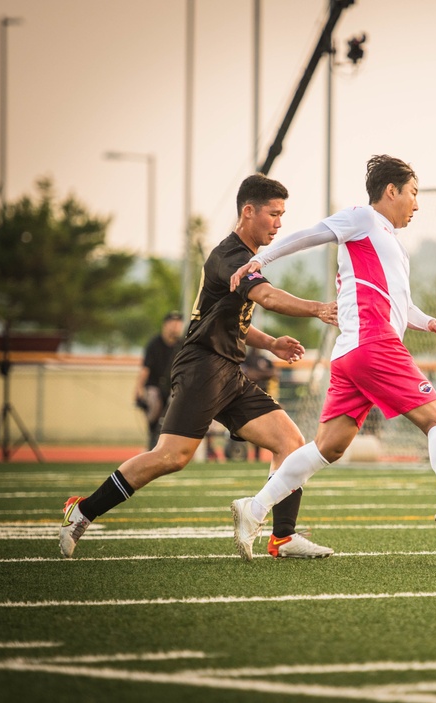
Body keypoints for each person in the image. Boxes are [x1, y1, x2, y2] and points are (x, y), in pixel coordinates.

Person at [60, 174, 339, 559]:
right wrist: (319, 308)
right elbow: (267, 297)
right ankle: (83, 510)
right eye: (274, 214)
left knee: (289, 443)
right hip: (203, 367)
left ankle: (283, 537)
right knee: (171, 456)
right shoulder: (230, 256)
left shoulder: (245, 258)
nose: (279, 223)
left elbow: (230, 318)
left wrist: (270, 342)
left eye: (282, 215)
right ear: (248, 211)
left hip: (228, 371)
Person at [230, 155, 436, 561]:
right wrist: (260, 259)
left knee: (329, 446)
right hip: (373, 343)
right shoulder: (363, 218)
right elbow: (311, 235)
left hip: (351, 352)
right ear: (391, 191)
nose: (416, 205)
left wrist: (429, 322)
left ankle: (255, 507)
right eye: (414, 194)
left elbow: (398, 304)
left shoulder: (388, 242)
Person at [134, 311, 184, 450]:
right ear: (165, 325)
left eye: (178, 324)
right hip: (154, 386)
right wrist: (138, 390)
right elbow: (145, 369)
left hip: (174, 387)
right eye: (172, 324)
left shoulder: (182, 344)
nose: (175, 327)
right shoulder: (154, 344)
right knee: (154, 402)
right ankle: (153, 438)